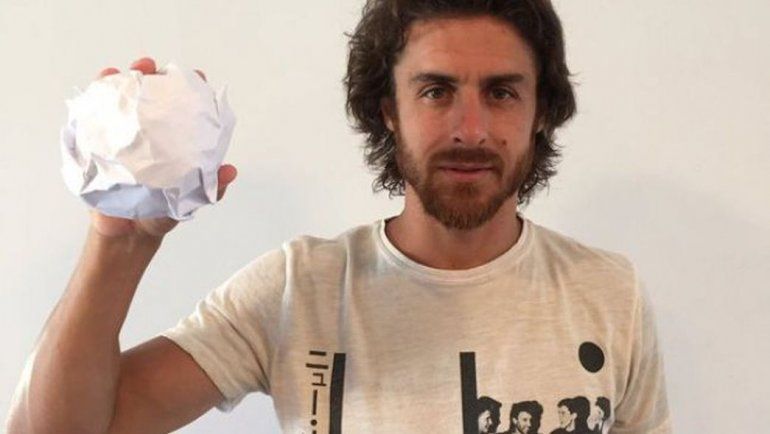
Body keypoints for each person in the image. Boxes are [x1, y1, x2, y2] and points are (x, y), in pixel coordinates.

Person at [4, 0, 672, 433]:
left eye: (501, 93)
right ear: (389, 111)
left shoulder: (607, 292)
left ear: (540, 112)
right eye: (436, 91)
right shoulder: (300, 288)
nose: (469, 128)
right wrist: (117, 242)